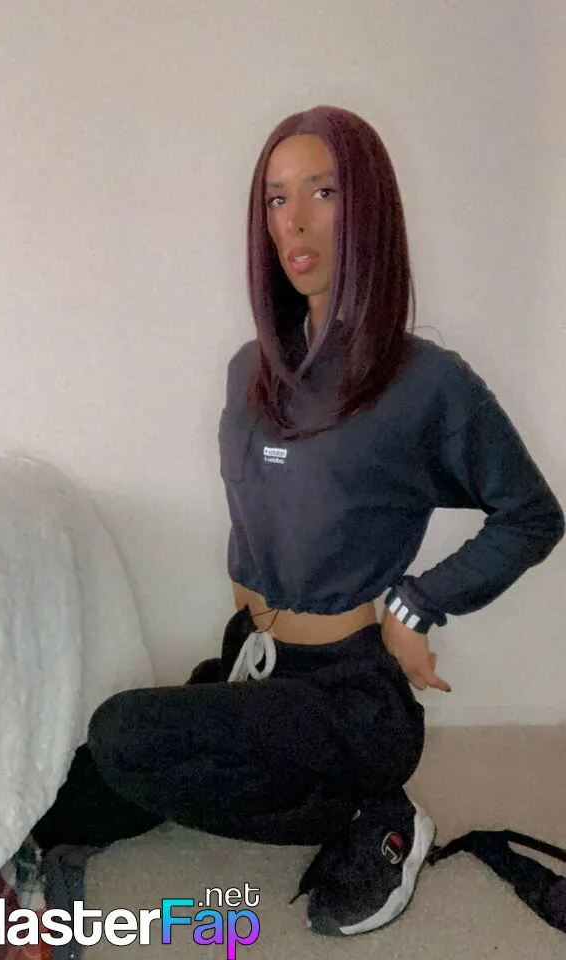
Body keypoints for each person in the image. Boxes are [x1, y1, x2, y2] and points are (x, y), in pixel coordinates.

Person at [30, 105, 565, 938]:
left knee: (124, 732)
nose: (296, 222)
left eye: (324, 192)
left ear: (370, 209)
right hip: (252, 659)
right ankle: (304, 779)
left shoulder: (425, 382)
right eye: (276, 199)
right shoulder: (249, 370)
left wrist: (417, 605)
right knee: (73, 801)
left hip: (347, 692)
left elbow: (531, 515)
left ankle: (374, 812)